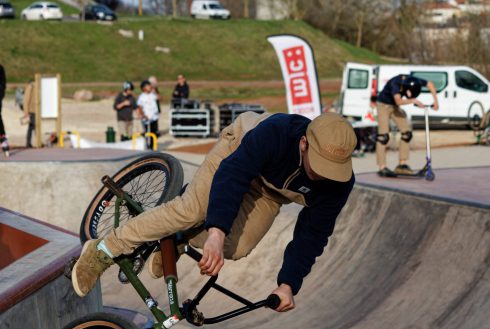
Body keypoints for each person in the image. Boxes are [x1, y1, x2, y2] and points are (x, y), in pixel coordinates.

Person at [72, 111, 357, 313]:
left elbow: (313, 234)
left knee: (238, 247)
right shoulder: (277, 133)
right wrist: (216, 231)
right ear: (304, 144)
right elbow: (233, 175)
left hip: (271, 193)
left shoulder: (338, 183)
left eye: (332, 171)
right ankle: (103, 249)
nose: (323, 177)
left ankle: (178, 239)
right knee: (192, 210)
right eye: (319, 166)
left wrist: (288, 284)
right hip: (237, 153)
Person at [376, 74, 439, 177]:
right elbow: (398, 101)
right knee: (383, 137)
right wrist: (413, 101)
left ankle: (402, 165)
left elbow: (430, 84)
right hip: (383, 105)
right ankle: (382, 167)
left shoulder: (414, 80)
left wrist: (436, 102)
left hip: (394, 107)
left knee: (407, 133)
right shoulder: (395, 83)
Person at [137, 80, 160, 149]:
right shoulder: (142, 97)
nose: (150, 87)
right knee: (147, 133)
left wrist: (154, 90)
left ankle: (153, 147)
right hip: (146, 118)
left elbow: (159, 98)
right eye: (148, 86)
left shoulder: (152, 95)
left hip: (154, 117)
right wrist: (143, 115)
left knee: (154, 133)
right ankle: (147, 146)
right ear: (144, 88)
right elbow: (140, 107)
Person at [22, 79, 36, 148]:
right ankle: (30, 142)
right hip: (32, 110)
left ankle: (28, 143)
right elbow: (26, 100)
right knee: (34, 126)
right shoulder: (31, 86)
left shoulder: (32, 86)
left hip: (34, 109)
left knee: (31, 127)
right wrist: (26, 112)